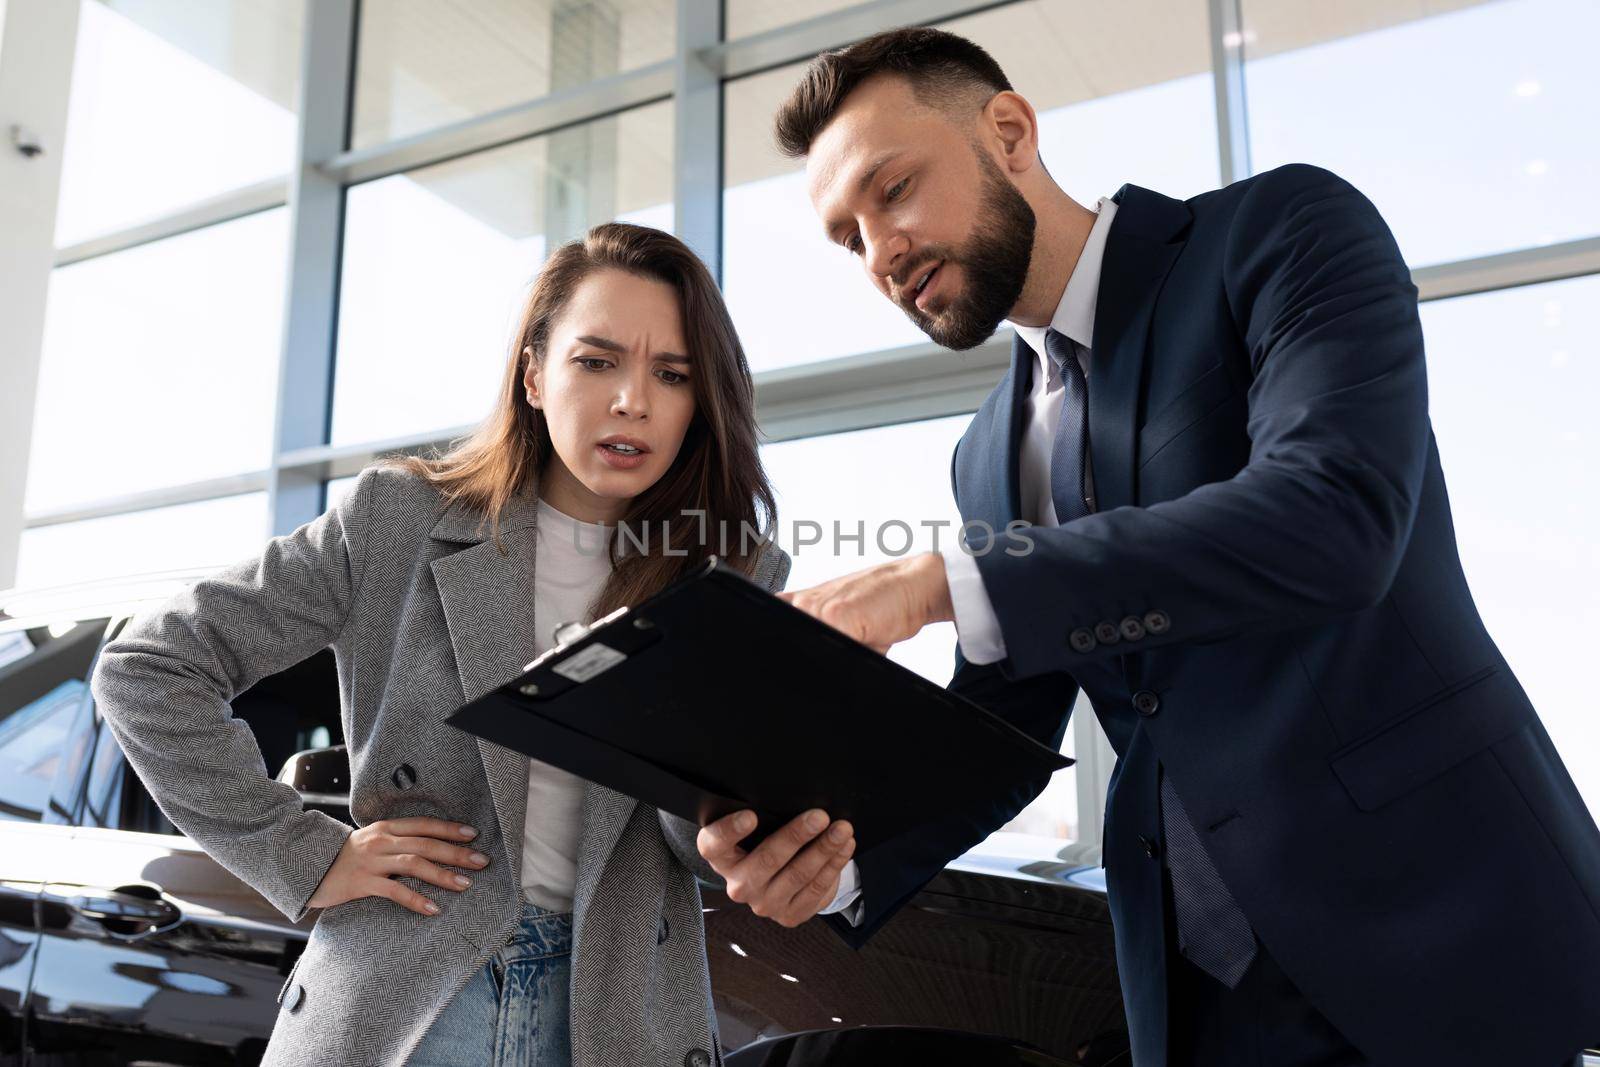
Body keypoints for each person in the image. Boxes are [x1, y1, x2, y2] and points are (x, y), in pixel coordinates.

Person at [694, 27, 1600, 1067]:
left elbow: (1332, 518)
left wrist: (935, 581)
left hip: (1449, 932)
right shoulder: (984, 453)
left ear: (1009, 131)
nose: (881, 252)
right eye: (848, 240)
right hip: (1198, 992)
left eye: (892, 190)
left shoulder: (1280, 232)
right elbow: (1002, 727)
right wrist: (834, 855)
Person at [91, 223, 845, 1067]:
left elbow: (699, 833)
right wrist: (306, 852)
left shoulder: (730, 576)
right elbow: (146, 665)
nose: (632, 399)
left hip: (617, 1013)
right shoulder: (400, 520)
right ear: (533, 375)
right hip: (411, 994)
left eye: (671, 375)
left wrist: (744, 840)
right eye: (596, 361)